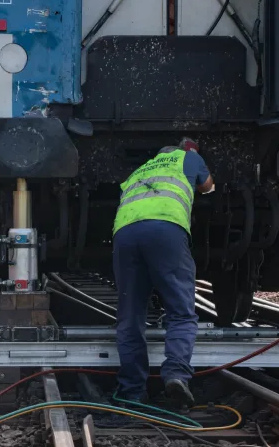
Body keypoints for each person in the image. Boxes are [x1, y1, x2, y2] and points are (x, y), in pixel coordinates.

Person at [112, 137, 213, 407]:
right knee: (180, 311)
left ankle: (132, 391)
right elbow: (208, 186)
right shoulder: (188, 157)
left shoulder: (140, 170)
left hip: (125, 234)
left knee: (130, 317)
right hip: (165, 229)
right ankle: (176, 373)